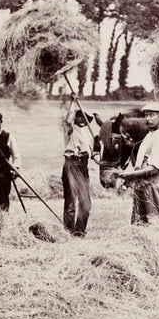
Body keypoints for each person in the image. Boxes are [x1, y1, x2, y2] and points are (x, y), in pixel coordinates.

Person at [115, 101, 159, 225]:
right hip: (141, 183)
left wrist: (130, 175)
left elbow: (154, 168)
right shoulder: (149, 136)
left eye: (151, 115)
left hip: (152, 184)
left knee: (153, 223)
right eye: (146, 115)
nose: (147, 118)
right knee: (138, 223)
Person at [61, 94, 100, 236]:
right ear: (75, 118)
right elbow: (67, 120)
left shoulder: (90, 134)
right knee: (71, 201)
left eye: (85, 117)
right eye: (79, 117)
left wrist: (99, 160)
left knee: (86, 203)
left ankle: (80, 230)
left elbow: (94, 152)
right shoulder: (69, 130)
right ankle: (68, 230)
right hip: (71, 164)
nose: (82, 120)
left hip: (83, 166)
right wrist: (73, 102)